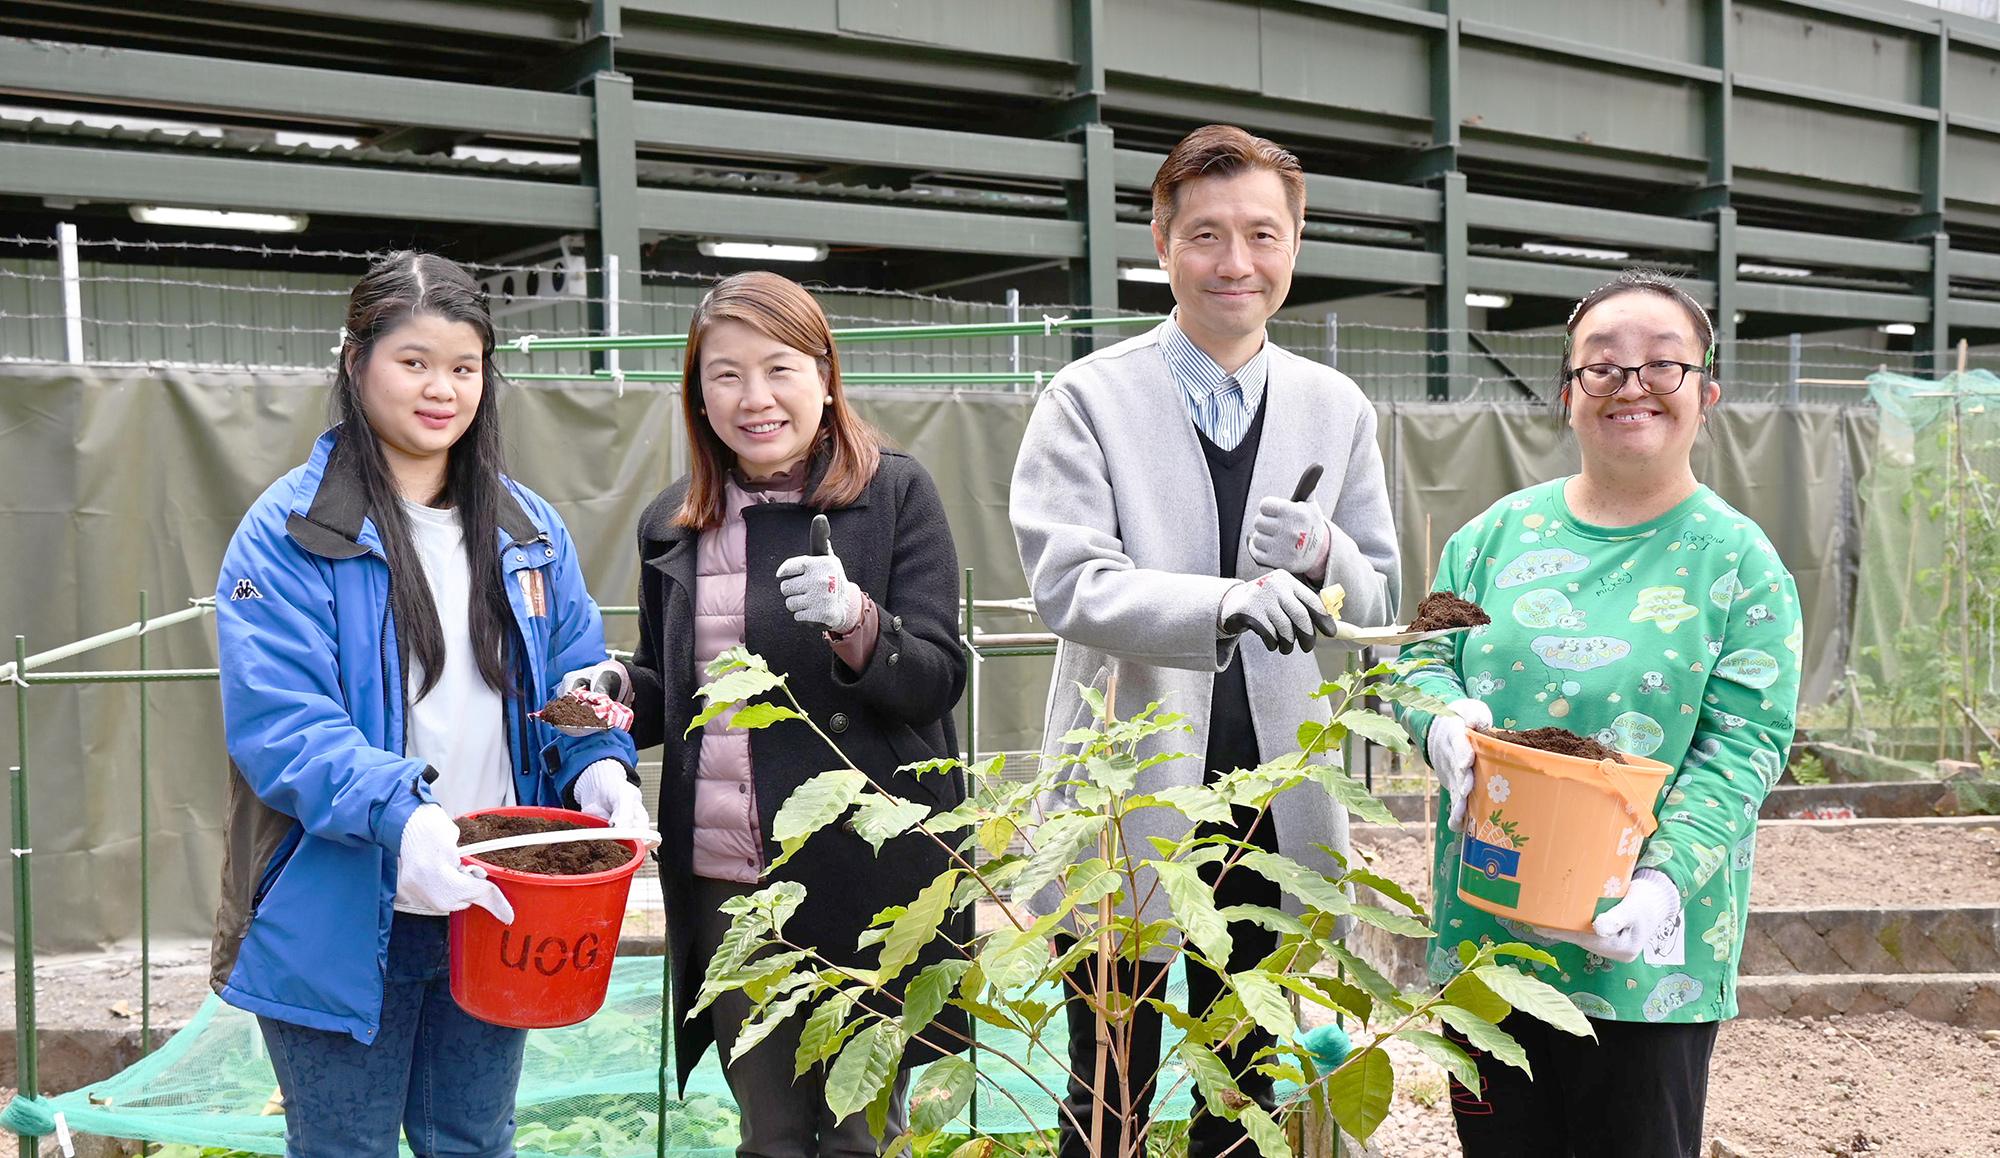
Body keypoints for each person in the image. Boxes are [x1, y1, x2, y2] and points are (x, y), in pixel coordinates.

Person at [1009, 124, 1400, 1158]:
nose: (1236, 263)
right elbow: (1069, 584)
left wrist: (1324, 555)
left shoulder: (1335, 406)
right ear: (1161, 243)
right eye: (1206, 235)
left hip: (1277, 799)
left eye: (1262, 234)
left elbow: (1377, 589)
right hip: (1126, 798)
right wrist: (1225, 602)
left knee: (1248, 1085)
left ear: (1295, 242)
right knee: (1109, 1083)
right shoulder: (1088, 398)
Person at [212, 252, 646, 1158]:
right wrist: (404, 822)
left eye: (463, 366)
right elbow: (284, 726)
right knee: (345, 1149)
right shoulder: (292, 535)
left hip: (494, 898)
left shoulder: (526, 530)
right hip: (340, 902)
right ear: (354, 361)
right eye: (413, 362)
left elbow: (569, 680)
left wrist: (601, 768)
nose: (441, 389)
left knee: (473, 1140)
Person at [1398, 268, 1802, 1158]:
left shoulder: (1739, 562)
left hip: (1647, 960)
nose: (1633, 387)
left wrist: (1662, 884)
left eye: (1664, 366)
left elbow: (1745, 746)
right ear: (1569, 394)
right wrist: (1434, 719)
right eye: (1603, 367)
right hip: (1491, 940)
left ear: (1707, 392)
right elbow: (1418, 660)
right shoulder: (1490, 539)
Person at [581, 271, 968, 1158]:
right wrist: (614, 692)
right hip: (726, 877)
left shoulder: (895, 496)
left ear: (825, 376)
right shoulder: (672, 523)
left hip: (868, 872)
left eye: (780, 368)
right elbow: (675, 690)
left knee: (859, 1135)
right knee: (772, 1134)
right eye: (725, 375)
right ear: (699, 395)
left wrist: (857, 622)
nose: (754, 398)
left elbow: (937, 678)